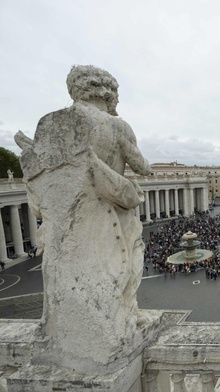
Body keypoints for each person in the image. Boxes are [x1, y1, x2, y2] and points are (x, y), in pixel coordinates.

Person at [15, 65, 153, 372]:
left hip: (64, 222)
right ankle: (125, 313)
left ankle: (62, 331)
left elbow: (39, 174)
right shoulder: (118, 127)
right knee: (125, 259)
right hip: (109, 212)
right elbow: (142, 166)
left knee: (66, 273)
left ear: (75, 90)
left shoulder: (48, 123)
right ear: (108, 92)